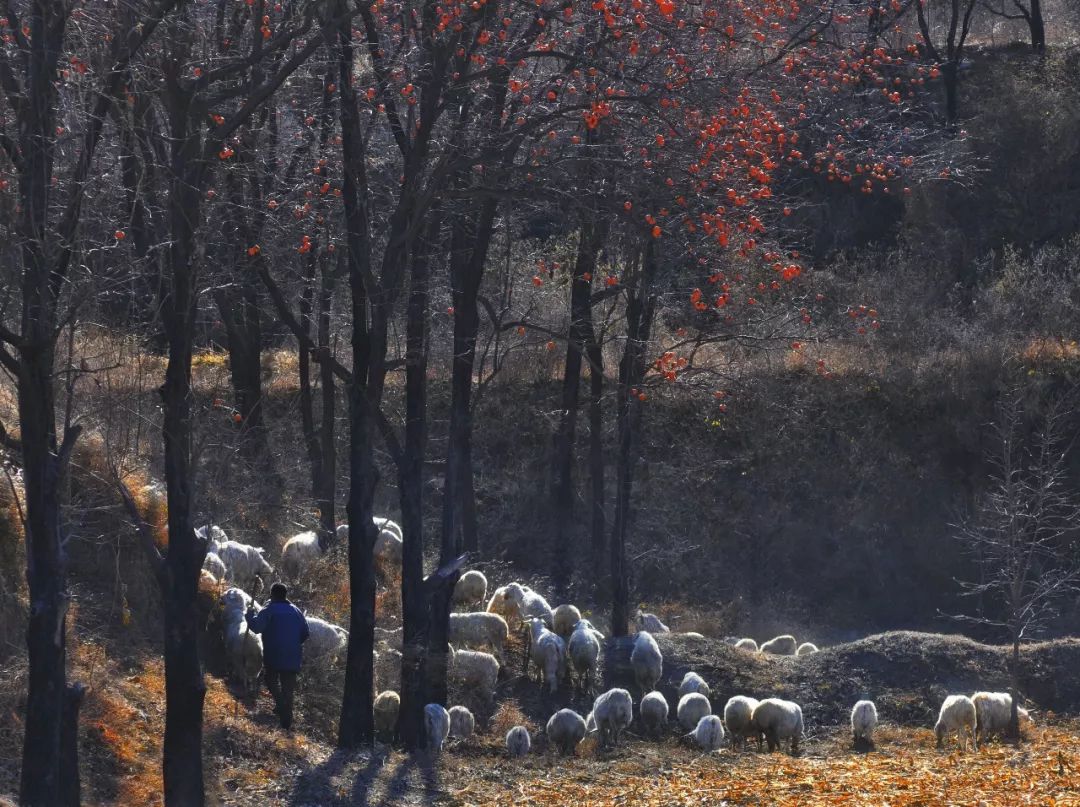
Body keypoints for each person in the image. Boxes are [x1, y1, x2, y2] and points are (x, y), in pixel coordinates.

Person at [246, 582, 309, 730]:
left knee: (270, 679)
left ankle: (281, 705)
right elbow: (306, 632)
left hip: (274, 653)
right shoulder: (296, 611)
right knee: (289, 687)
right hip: (293, 655)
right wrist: (293, 643)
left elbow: (256, 627)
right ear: (285, 595)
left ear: (272, 594)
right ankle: (287, 722)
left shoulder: (269, 610)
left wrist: (249, 616)